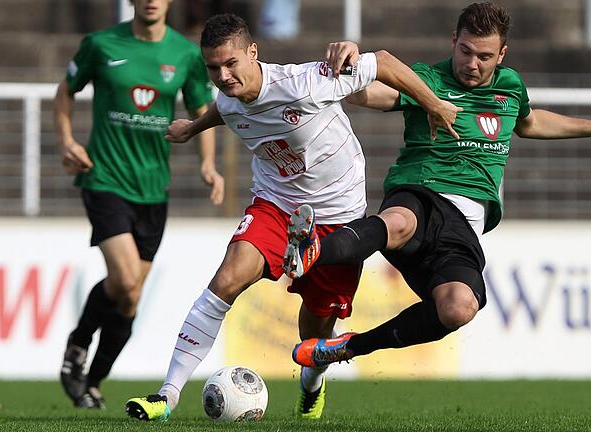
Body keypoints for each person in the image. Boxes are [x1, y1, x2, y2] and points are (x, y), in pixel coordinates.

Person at [123, 13, 460, 422]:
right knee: (227, 279)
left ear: (253, 52)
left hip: (339, 216)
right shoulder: (229, 98)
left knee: (314, 333)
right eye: (213, 67)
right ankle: (167, 396)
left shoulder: (306, 82)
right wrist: (192, 128)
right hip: (276, 205)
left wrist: (435, 104)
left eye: (231, 64)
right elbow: (223, 110)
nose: (224, 76)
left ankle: (311, 386)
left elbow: (384, 61)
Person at [287, 2, 591, 369]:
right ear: (453, 41)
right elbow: (364, 94)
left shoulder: (510, 87)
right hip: (420, 191)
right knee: (398, 222)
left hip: (463, 227)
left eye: (484, 56)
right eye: (465, 51)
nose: (472, 64)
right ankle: (310, 249)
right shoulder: (426, 81)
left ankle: (349, 347)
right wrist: (346, 65)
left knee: (458, 308)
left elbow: (530, 123)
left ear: (502, 54)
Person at [53, 0, 224, 409]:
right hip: (104, 177)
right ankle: (78, 342)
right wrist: (66, 140)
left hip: (153, 189)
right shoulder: (100, 44)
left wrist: (208, 163)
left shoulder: (185, 54)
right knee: (127, 280)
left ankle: (91, 381)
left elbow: (202, 109)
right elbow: (65, 92)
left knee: (128, 297)